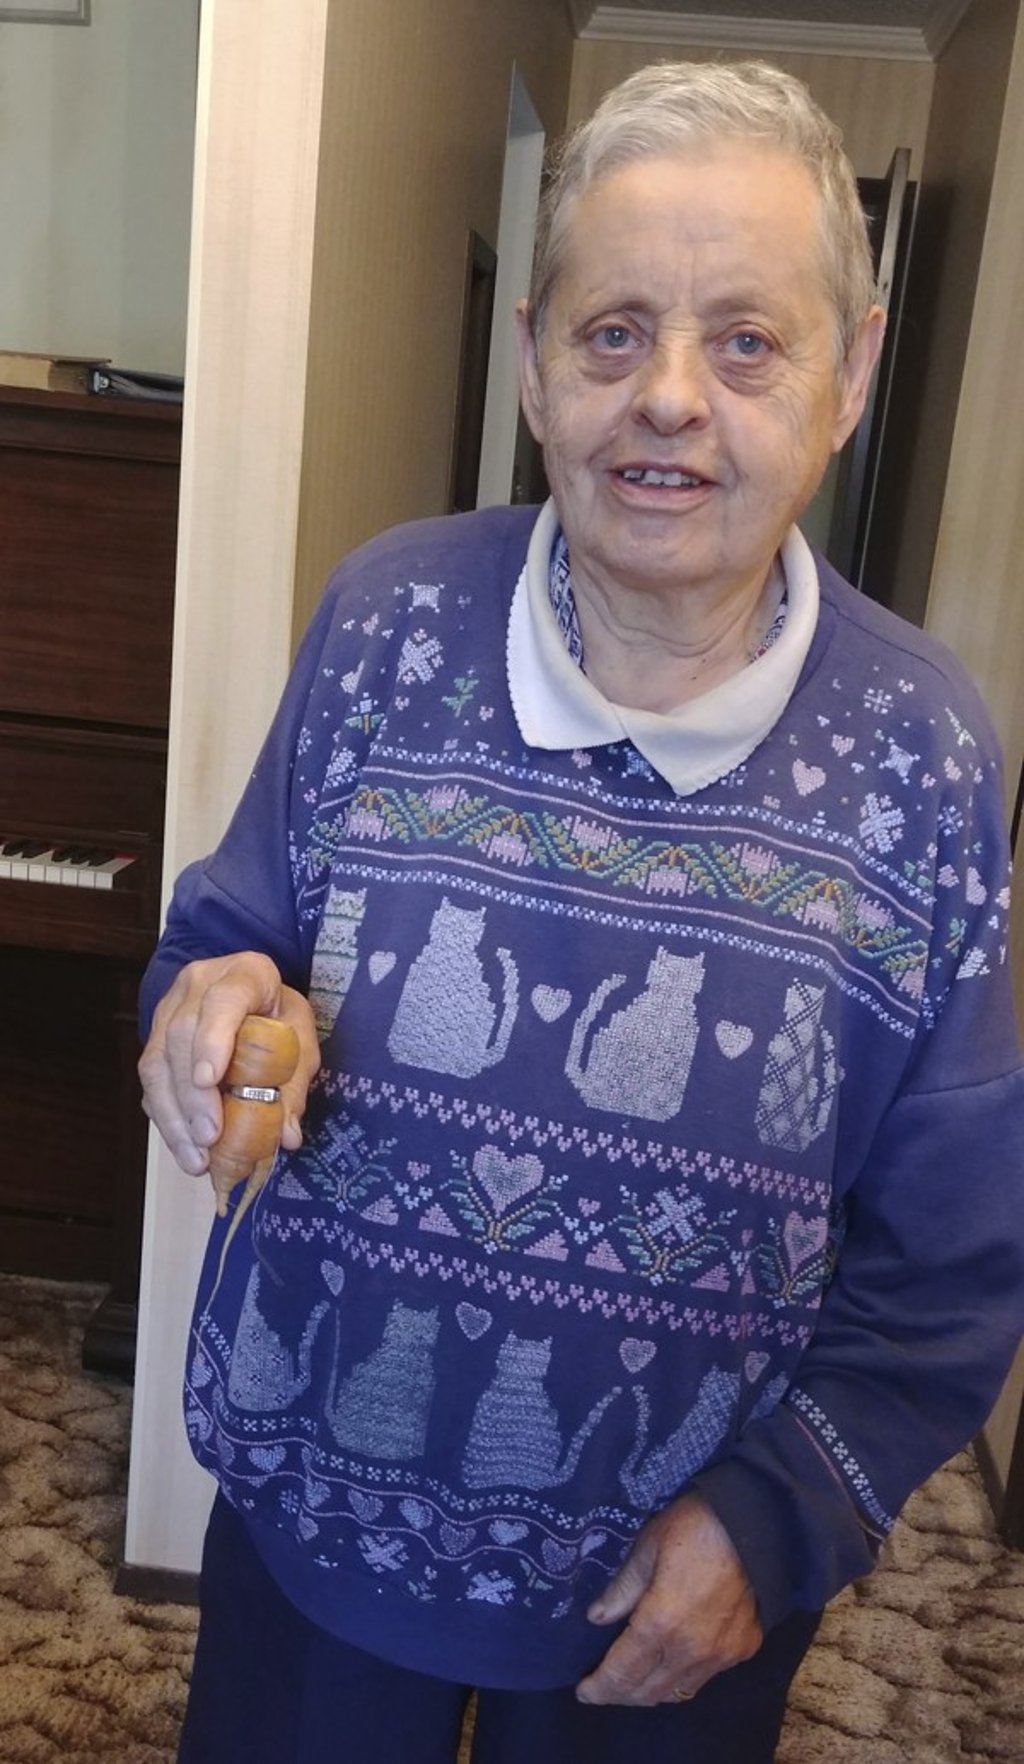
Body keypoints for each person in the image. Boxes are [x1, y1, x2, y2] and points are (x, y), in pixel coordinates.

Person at [139, 59, 1024, 1764]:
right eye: (614, 332)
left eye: (748, 341)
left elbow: (954, 1262)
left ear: (853, 376)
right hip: (316, 1526)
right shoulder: (383, 620)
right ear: (537, 360)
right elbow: (225, 934)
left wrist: (777, 1527)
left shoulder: (924, 755)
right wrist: (211, 1000)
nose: (670, 398)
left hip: (668, 1607)